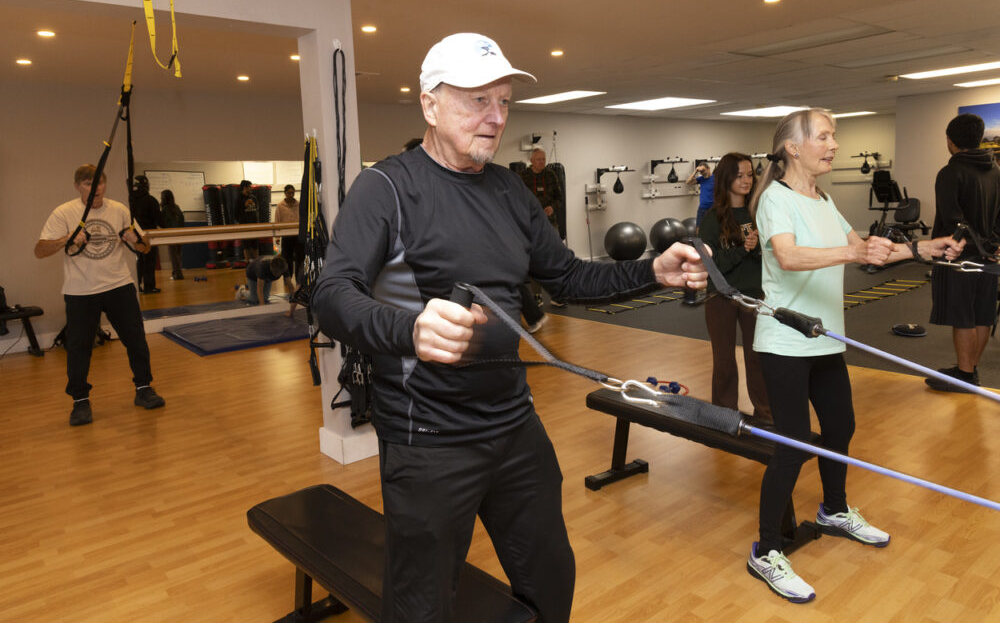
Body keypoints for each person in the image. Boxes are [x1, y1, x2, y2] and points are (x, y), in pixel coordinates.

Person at [314, 32, 708, 623]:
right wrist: (410, 329)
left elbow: (568, 277)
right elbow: (331, 295)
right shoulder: (386, 188)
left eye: (503, 102)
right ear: (430, 105)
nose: (497, 118)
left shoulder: (508, 189)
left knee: (550, 577)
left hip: (513, 424)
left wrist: (652, 271)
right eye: (478, 100)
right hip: (429, 437)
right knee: (422, 606)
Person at [745, 108, 964, 603]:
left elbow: (867, 249)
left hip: (826, 338)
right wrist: (854, 253)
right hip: (785, 342)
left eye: (834, 136)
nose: (834, 145)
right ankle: (766, 549)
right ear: (793, 147)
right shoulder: (775, 199)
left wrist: (925, 248)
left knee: (840, 428)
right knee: (794, 444)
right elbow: (789, 256)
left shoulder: (824, 200)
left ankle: (834, 510)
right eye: (824, 136)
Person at [35, 165, 166, 426]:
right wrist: (67, 238)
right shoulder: (64, 212)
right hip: (81, 291)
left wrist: (135, 239)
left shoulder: (119, 210)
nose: (95, 189)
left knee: (136, 340)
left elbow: (146, 247)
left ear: (105, 185)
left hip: (119, 285)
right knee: (79, 348)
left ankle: (143, 389)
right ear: (77, 186)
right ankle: (80, 401)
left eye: (100, 183)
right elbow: (39, 251)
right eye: (88, 184)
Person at [925, 113, 1000, 391]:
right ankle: (970, 370)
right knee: (982, 314)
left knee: (963, 317)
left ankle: (965, 375)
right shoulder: (996, 170)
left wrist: (963, 246)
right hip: (989, 256)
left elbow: (952, 219)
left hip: (958, 257)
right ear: (979, 138)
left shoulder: (950, 172)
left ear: (950, 141)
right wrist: (990, 245)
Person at [697, 152, 771, 420]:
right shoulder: (712, 219)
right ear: (727, 179)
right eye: (739, 175)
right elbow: (711, 264)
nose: (746, 180)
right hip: (721, 297)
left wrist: (759, 247)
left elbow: (772, 256)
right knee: (725, 361)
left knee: (758, 358)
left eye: (750, 175)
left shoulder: (759, 213)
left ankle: (766, 415)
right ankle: (724, 416)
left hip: (754, 297)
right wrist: (743, 249)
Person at [520, 147, 566, 307]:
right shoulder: (522, 176)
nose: (542, 162)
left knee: (555, 259)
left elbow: (559, 197)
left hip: (550, 223)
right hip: (531, 224)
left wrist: (552, 207)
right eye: (539, 159)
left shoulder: (551, 175)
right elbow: (517, 200)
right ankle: (537, 296)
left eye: (544, 159)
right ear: (531, 161)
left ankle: (556, 296)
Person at [131, 174, 161, 293]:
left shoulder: (130, 200)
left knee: (139, 261)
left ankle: (137, 285)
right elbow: (158, 218)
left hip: (135, 235)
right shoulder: (151, 200)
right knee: (149, 261)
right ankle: (149, 286)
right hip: (149, 235)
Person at [275, 184, 302, 296]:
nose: (291, 195)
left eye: (292, 192)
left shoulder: (299, 204)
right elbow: (277, 221)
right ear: (285, 193)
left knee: (299, 258)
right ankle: (288, 279)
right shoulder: (280, 206)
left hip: (297, 235)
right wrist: (277, 237)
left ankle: (299, 279)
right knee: (287, 258)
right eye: (289, 193)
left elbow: (302, 219)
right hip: (286, 236)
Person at [159, 189, 185, 280]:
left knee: (173, 255)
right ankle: (177, 272)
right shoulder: (176, 207)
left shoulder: (165, 209)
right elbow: (182, 219)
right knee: (178, 254)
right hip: (180, 233)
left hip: (170, 234)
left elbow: (162, 222)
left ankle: (177, 274)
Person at [235, 179, 260, 262]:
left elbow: (256, 210)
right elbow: (235, 214)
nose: (251, 188)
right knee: (246, 247)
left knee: (255, 246)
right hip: (245, 227)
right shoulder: (239, 199)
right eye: (249, 187)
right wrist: (242, 223)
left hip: (254, 226)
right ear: (245, 188)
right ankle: (247, 264)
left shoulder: (253, 198)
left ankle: (257, 263)